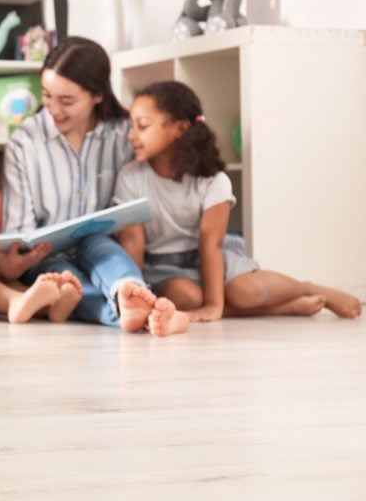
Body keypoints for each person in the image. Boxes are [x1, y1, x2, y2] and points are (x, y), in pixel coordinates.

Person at [115, 80, 362, 321]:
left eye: (142, 126)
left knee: (245, 292)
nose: (131, 135)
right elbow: (133, 241)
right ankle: (277, 309)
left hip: (209, 256)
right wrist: (134, 292)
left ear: (180, 129)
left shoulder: (213, 179)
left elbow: (211, 245)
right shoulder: (130, 177)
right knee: (187, 296)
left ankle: (307, 288)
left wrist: (213, 305)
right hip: (160, 267)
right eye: (131, 126)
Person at [1, 36, 189, 337]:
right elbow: (19, 230)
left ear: (98, 95)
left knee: (103, 251)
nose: (53, 109)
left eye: (67, 101)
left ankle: (132, 294)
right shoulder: (24, 142)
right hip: (46, 256)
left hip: (102, 245)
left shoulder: (123, 135)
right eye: (47, 96)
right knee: (69, 284)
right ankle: (141, 314)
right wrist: (17, 259)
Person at [0, 106, 83, 324]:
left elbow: (1, 245)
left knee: (13, 287)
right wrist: (0, 262)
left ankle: (51, 305)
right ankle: (19, 303)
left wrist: (11, 264)